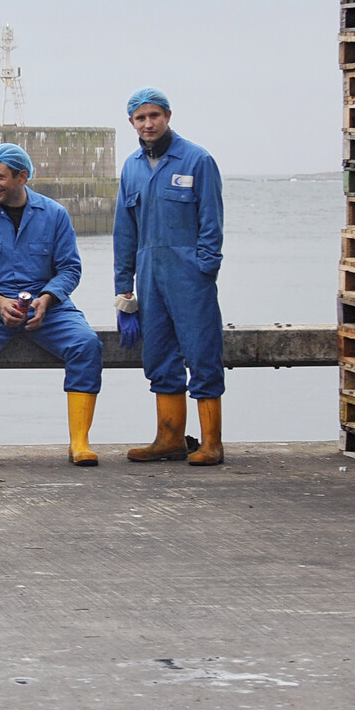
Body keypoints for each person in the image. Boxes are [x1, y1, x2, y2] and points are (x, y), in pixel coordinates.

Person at [0, 142, 104, 467]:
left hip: (48, 304)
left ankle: (80, 442)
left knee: (87, 344)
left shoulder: (55, 215)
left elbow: (70, 268)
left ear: (22, 177)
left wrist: (48, 299)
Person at [115, 88, 227, 465]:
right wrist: (123, 287)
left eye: (154, 116)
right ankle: (170, 438)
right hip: (148, 276)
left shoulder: (197, 160)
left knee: (202, 352)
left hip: (189, 276)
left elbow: (212, 221)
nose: (148, 124)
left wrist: (204, 268)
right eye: (140, 118)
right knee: (159, 354)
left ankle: (211, 442)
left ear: (168, 116)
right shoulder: (131, 167)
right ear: (131, 122)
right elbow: (124, 231)